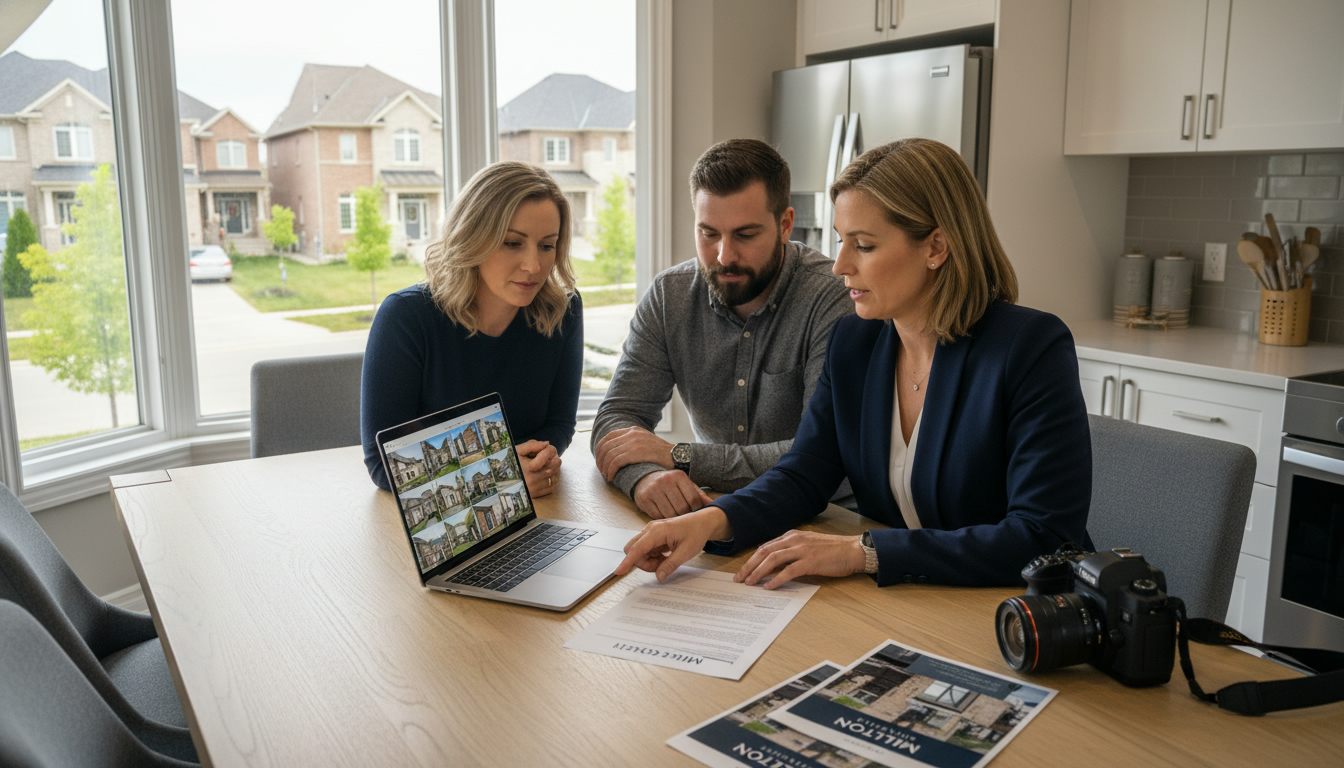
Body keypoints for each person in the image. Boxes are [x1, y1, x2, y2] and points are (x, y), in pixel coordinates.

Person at [616, 138, 1093, 589]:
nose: (840, 264)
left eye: (863, 245)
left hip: (1003, 607)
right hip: (908, 600)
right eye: (841, 240)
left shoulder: (1030, 347)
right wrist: (707, 522)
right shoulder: (856, 341)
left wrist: (861, 552)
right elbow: (803, 474)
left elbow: (1042, 536)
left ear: (936, 247)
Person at [591, 138, 853, 519]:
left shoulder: (832, 298)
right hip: (714, 512)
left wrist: (680, 457)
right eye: (708, 233)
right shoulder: (670, 296)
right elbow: (617, 419)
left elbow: (819, 454)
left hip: (826, 518)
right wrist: (644, 477)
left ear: (784, 225)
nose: (724, 256)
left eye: (745, 235)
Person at [360, 162, 582, 498]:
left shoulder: (562, 311)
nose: (533, 266)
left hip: (536, 507)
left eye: (547, 245)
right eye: (512, 243)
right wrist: (500, 474)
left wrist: (528, 468)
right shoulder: (406, 318)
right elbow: (382, 463)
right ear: (473, 236)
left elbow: (559, 425)